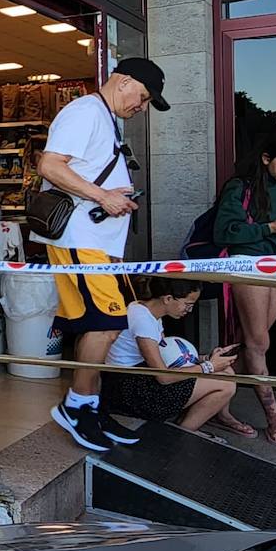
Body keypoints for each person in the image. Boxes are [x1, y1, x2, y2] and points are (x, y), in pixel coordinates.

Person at [35, 57, 169, 452]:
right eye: (143, 96)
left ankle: (91, 405)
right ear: (123, 81)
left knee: (102, 326)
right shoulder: (86, 112)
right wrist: (103, 197)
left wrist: (115, 201)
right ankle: (76, 405)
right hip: (81, 241)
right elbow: (50, 165)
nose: (141, 106)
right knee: (106, 324)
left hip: (97, 244)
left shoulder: (103, 117)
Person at [213, 129, 276, 448]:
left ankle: (216, 402)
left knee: (249, 344)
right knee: (259, 343)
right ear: (265, 158)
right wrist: (269, 228)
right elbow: (224, 232)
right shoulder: (240, 186)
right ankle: (275, 419)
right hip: (249, 264)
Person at [103, 278, 238, 432]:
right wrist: (208, 366)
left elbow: (164, 351)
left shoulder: (146, 310)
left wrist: (205, 359)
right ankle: (183, 432)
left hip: (138, 376)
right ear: (168, 299)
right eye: (188, 304)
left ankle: (200, 419)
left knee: (227, 371)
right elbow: (163, 377)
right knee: (226, 384)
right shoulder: (142, 320)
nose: (189, 310)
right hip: (128, 390)